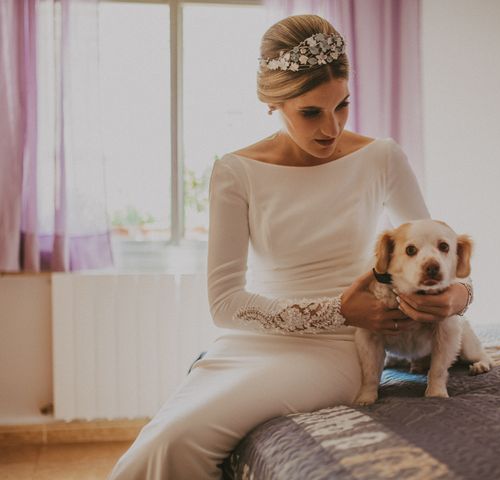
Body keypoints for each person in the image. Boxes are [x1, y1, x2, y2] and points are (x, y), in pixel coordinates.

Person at [109, 14, 473, 480]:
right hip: (251, 342)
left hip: (342, 347)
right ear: (272, 102)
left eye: (342, 106)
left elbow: (431, 250)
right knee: (157, 445)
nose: (332, 127)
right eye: (311, 112)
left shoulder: (381, 157)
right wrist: (340, 309)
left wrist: (462, 295)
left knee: (176, 441)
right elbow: (223, 305)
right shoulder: (235, 172)